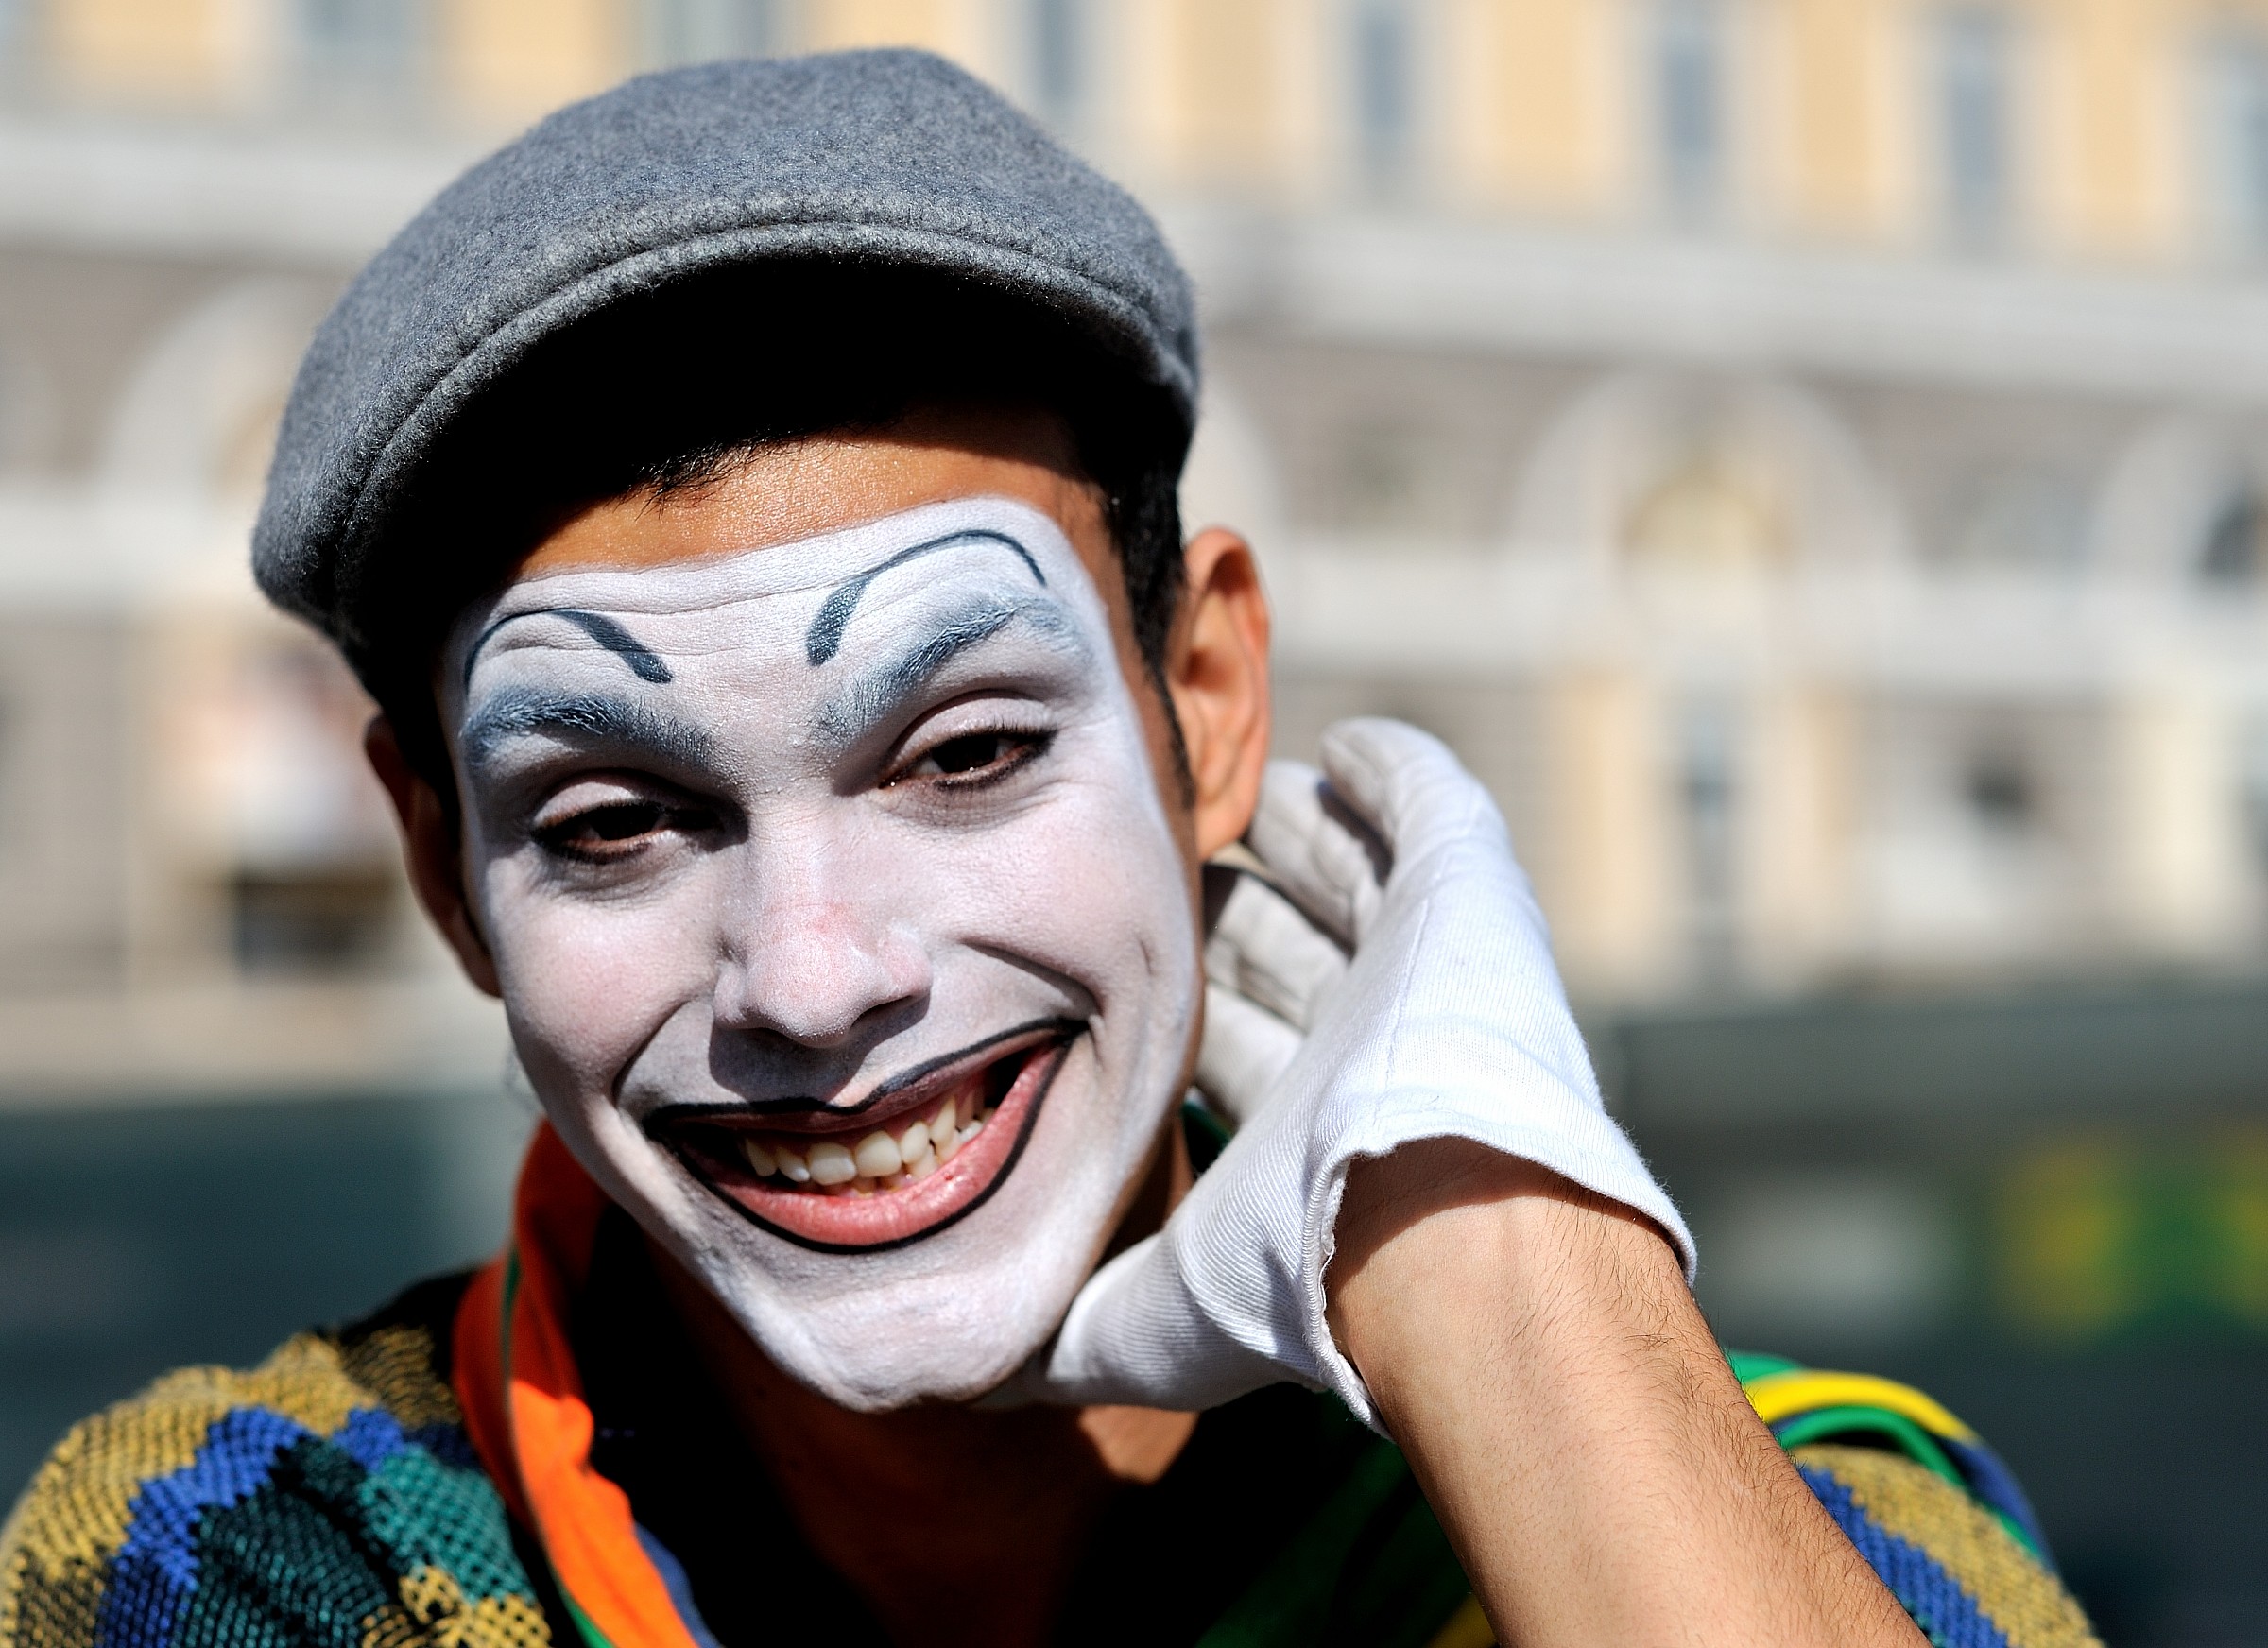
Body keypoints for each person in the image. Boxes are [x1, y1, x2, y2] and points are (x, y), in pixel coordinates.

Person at [0, 51, 2096, 1648]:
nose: (813, 977)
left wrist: (1504, 1262)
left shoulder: (1782, 1519)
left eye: (968, 748)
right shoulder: (245, 1542)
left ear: (1202, 707)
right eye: (614, 819)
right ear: (446, 867)